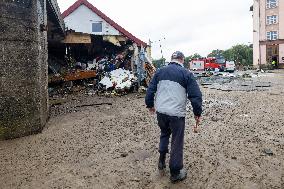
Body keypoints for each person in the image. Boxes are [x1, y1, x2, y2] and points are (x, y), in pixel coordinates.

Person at [145, 51, 203, 183]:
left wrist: (150, 105)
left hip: (161, 112)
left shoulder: (159, 72)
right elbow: (195, 95)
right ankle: (176, 171)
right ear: (182, 60)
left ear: (171, 59)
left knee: (164, 133)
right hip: (176, 114)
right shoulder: (186, 74)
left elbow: (150, 90)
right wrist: (197, 113)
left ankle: (161, 160)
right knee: (177, 140)